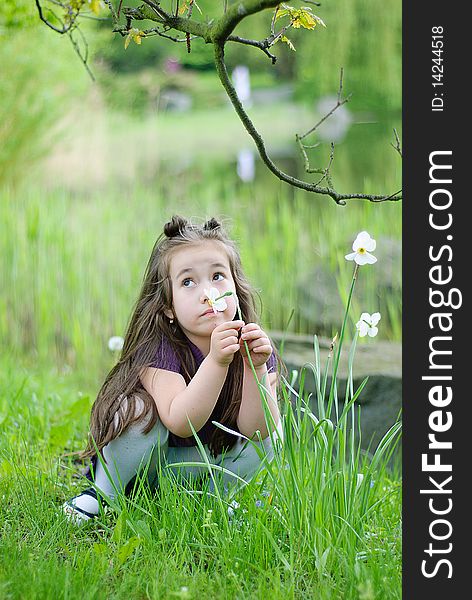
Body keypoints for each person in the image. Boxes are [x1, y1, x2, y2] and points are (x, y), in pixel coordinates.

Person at [63, 215, 283, 523]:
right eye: (188, 282)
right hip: (150, 464)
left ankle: (213, 500)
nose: (207, 292)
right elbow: (181, 422)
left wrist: (255, 370)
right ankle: (103, 492)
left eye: (218, 276)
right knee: (137, 411)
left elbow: (258, 431)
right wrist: (218, 361)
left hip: (201, 468)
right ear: (168, 306)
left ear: (236, 286)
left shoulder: (253, 344)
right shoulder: (158, 348)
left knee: (275, 429)